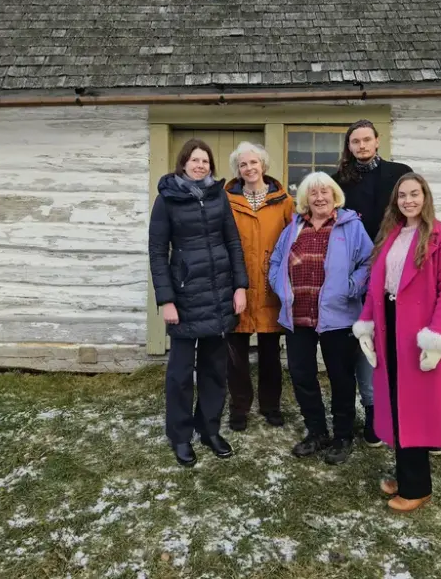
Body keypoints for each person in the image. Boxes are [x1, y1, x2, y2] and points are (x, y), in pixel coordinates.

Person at [352, 172, 441, 512]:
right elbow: (376, 285)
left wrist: (437, 334)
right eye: (402, 195)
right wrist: (366, 324)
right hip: (390, 326)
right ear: (395, 201)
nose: (408, 200)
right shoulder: (392, 234)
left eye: (414, 194)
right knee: (397, 403)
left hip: (420, 333)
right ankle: (404, 475)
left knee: (416, 408)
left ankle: (418, 488)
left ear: (425, 196)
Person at [148, 139, 249, 467]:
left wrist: (240, 287)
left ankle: (209, 429)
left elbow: (233, 242)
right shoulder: (167, 199)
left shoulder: (218, 195)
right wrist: (166, 300)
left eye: (205, 160)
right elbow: (157, 253)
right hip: (185, 297)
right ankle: (180, 435)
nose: (200, 165)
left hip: (219, 295)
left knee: (214, 370)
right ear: (183, 163)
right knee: (179, 374)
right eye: (195, 160)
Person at [268, 171, 373, 465]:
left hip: (337, 318)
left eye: (325, 191)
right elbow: (276, 261)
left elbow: (368, 261)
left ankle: (342, 436)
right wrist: (280, 286)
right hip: (297, 314)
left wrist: (353, 286)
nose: (320, 197)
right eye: (313, 193)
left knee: (341, 378)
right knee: (302, 376)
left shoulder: (350, 226)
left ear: (334, 195)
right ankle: (316, 432)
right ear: (305, 199)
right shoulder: (294, 227)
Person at [333, 119, 413, 448]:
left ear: (377, 141)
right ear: (349, 146)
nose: (362, 146)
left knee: (392, 345)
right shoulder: (340, 181)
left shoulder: (399, 173)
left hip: (394, 268)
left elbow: (413, 214)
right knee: (361, 344)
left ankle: (396, 412)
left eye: (367, 140)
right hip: (353, 272)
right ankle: (369, 411)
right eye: (355, 142)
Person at [224, 141, 295, 431]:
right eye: (243, 164)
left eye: (254, 162)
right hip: (236, 286)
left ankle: (270, 405)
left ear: (263, 165)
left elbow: (295, 239)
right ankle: (239, 407)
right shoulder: (225, 200)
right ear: (238, 170)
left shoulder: (284, 201)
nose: (249, 168)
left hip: (270, 287)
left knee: (269, 353)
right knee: (235, 353)